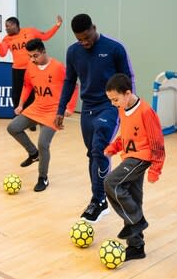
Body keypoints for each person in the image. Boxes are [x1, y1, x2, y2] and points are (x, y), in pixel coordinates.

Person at [55, 14, 135, 223]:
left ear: (94, 28)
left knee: (100, 148)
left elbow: (128, 78)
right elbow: (69, 81)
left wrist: (129, 109)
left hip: (110, 107)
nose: (84, 42)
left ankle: (98, 200)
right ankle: (101, 200)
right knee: (93, 154)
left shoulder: (115, 48)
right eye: (80, 39)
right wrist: (60, 109)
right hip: (88, 108)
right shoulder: (73, 52)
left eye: (87, 37)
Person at [103, 73, 165, 261]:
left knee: (111, 183)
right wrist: (115, 146)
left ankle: (137, 221)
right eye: (111, 100)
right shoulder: (123, 108)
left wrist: (156, 168)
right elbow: (127, 135)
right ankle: (137, 246)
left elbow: (157, 141)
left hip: (141, 157)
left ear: (128, 93)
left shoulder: (146, 111)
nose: (113, 103)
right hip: (128, 156)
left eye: (115, 99)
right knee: (132, 198)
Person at [7, 38, 77, 191]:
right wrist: (20, 105)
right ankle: (33, 154)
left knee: (43, 144)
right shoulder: (31, 67)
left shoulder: (59, 67)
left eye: (35, 56)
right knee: (13, 127)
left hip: (53, 111)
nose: (32, 59)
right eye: (30, 56)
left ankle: (43, 178)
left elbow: (74, 86)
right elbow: (27, 86)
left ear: (44, 51)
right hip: (36, 108)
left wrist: (70, 108)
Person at [0, 15, 63, 121]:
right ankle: (19, 117)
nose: (6, 28)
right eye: (5, 27)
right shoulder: (7, 39)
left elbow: (46, 36)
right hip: (17, 70)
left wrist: (57, 26)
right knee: (16, 94)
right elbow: (2, 53)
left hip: (32, 68)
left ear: (15, 25)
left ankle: (32, 119)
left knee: (32, 95)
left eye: (8, 26)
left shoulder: (30, 31)